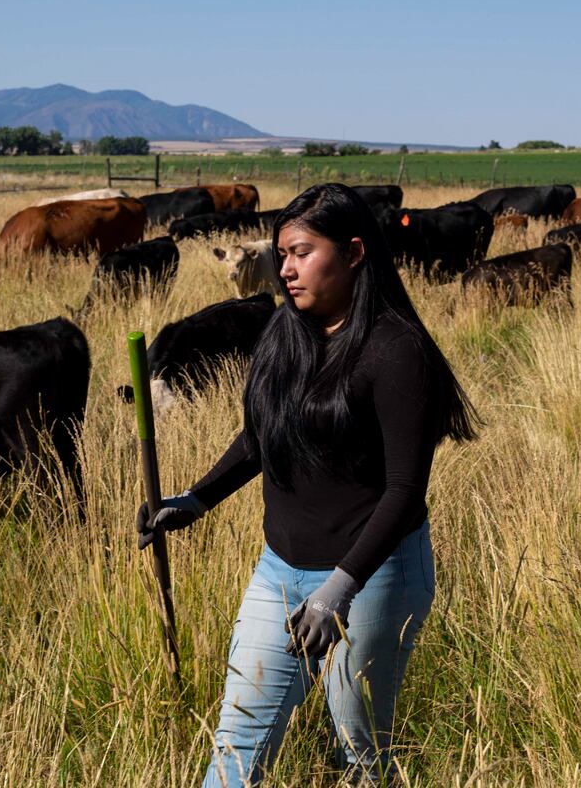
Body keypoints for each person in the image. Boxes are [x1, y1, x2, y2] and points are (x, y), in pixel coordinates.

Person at [136, 183, 477, 787]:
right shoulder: (283, 332)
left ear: (353, 253)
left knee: (359, 753)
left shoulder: (395, 350)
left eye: (300, 252)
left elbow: (404, 493)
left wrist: (337, 591)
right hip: (279, 571)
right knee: (237, 746)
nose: (285, 268)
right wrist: (194, 500)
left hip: (372, 578)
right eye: (282, 253)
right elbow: (259, 437)